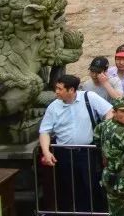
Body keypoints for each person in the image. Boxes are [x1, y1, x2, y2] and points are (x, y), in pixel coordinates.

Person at [39, 75, 113, 213]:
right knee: (68, 186)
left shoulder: (88, 97)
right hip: (64, 154)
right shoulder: (53, 107)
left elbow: (109, 111)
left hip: (87, 152)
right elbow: (44, 131)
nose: (56, 92)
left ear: (71, 90)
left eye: (60, 89)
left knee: (91, 185)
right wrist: (46, 151)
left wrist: (104, 129)